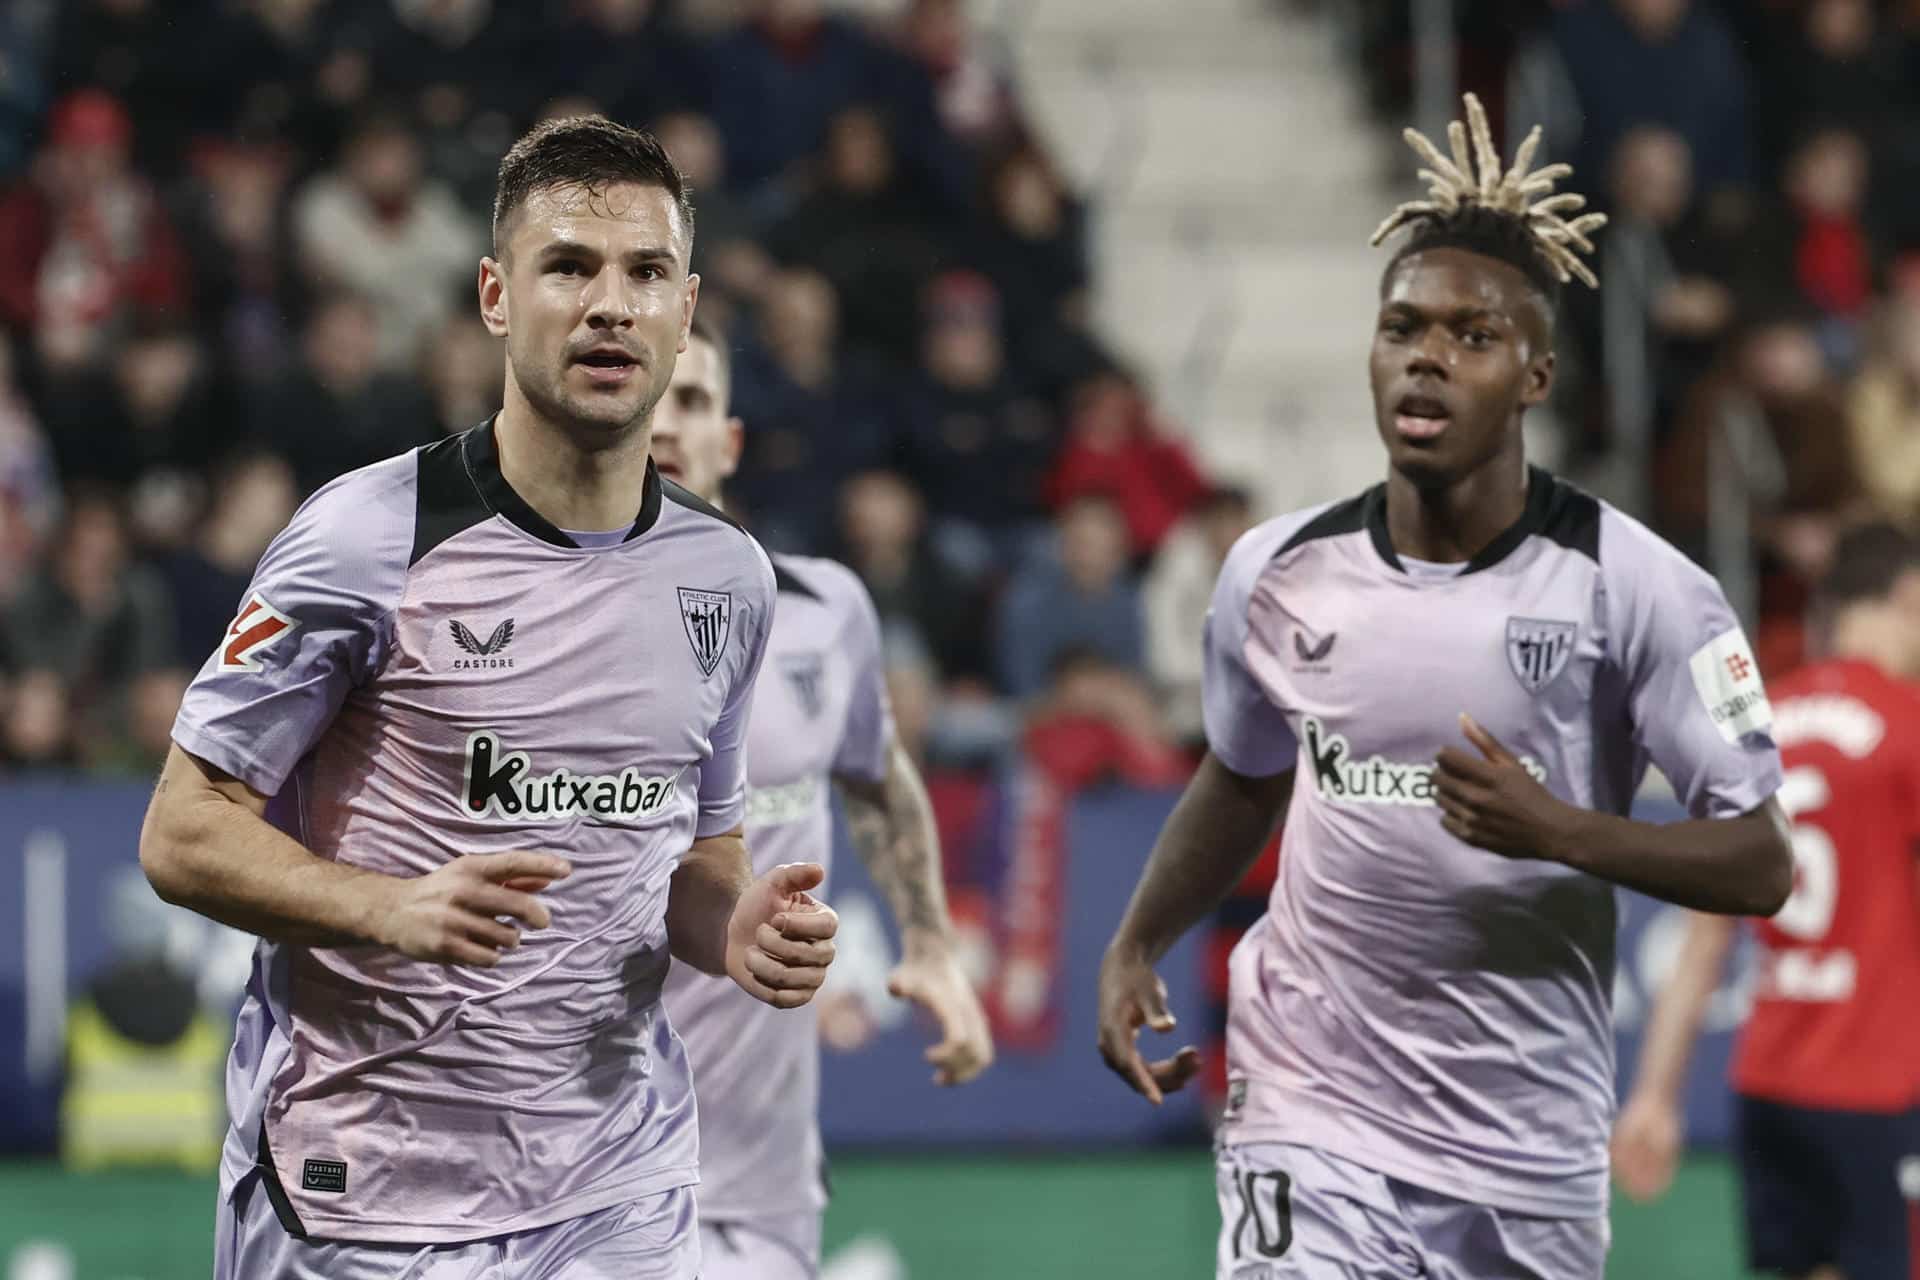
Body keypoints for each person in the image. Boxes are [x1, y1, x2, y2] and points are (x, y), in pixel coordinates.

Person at [1094, 94, 1792, 1279]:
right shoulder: (1276, 574)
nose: (1427, 353)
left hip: (1527, 1140)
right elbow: (1244, 772)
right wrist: (1137, 940)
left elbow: (1763, 857)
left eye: (1473, 335)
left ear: (1536, 374)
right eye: (1403, 325)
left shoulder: (1640, 589)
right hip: (1309, 1102)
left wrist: (1561, 830)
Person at [138, 114, 839, 1280]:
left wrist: (740, 927)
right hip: (358, 1192)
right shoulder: (369, 537)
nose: (610, 304)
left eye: (645, 273)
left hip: (618, 1182)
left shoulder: (729, 576)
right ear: (495, 297)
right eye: (569, 266)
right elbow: (182, 828)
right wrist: (387, 907)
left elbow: (697, 862)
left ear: (686, 307)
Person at [651, 313, 992, 1280]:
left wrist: (928, 943)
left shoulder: (824, 609)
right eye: (654, 396)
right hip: (592, 1146)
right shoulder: (545, 624)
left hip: (765, 1171)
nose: (670, 424)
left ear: (731, 438)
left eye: (696, 399)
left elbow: (880, 783)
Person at [1613, 520, 1920, 1280]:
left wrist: (1654, 1094)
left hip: (1769, 1081)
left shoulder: (1758, 730)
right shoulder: (1909, 729)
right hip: (1879, 1082)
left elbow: (1704, 938)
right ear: (1905, 598)